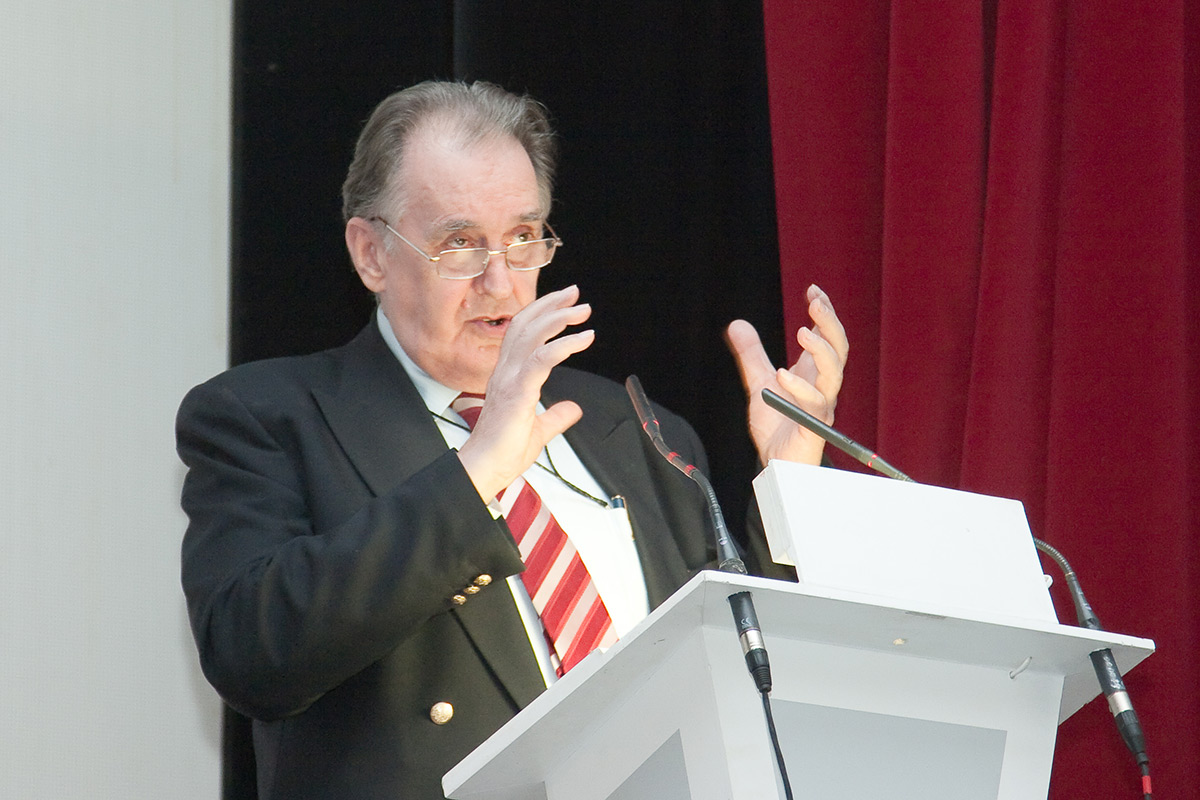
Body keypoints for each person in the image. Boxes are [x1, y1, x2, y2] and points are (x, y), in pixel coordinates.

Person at [177, 80, 847, 800]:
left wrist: (790, 482)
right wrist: (473, 476)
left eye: (524, 237)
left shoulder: (635, 429)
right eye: (459, 244)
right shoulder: (269, 417)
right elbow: (252, 654)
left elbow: (748, 674)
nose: (500, 283)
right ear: (371, 254)